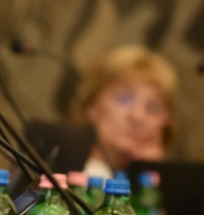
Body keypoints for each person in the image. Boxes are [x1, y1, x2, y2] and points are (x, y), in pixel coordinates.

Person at [71, 44, 178, 179]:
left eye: (153, 108)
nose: (138, 116)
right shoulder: (49, 165)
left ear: (166, 123)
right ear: (91, 105)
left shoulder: (172, 188)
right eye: (124, 99)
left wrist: (151, 175)